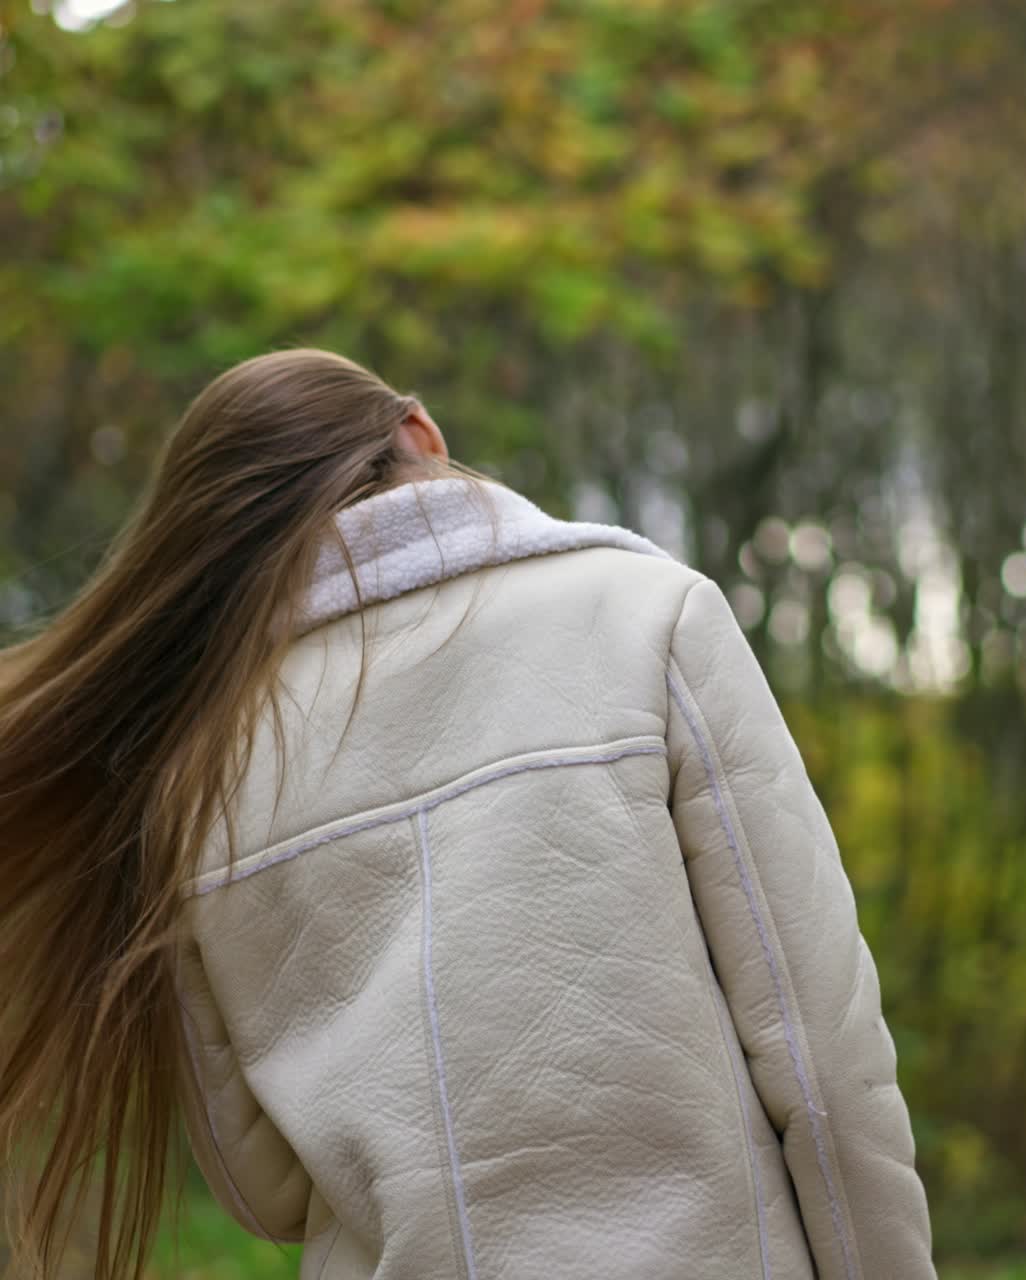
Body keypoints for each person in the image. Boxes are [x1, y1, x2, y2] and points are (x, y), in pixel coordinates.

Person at [0, 348, 936, 1280]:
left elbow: (265, 1190)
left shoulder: (200, 766)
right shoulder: (646, 614)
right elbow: (823, 1064)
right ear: (419, 433)